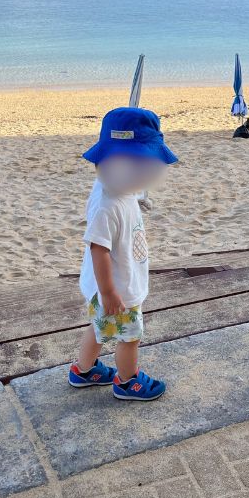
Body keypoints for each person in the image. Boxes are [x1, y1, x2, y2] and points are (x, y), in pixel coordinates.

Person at [68, 107, 177, 401]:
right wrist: (110, 293)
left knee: (98, 327)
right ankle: (127, 382)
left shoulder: (117, 187)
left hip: (105, 287)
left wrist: (136, 196)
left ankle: (83, 370)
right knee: (130, 337)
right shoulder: (108, 206)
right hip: (116, 289)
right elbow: (98, 248)